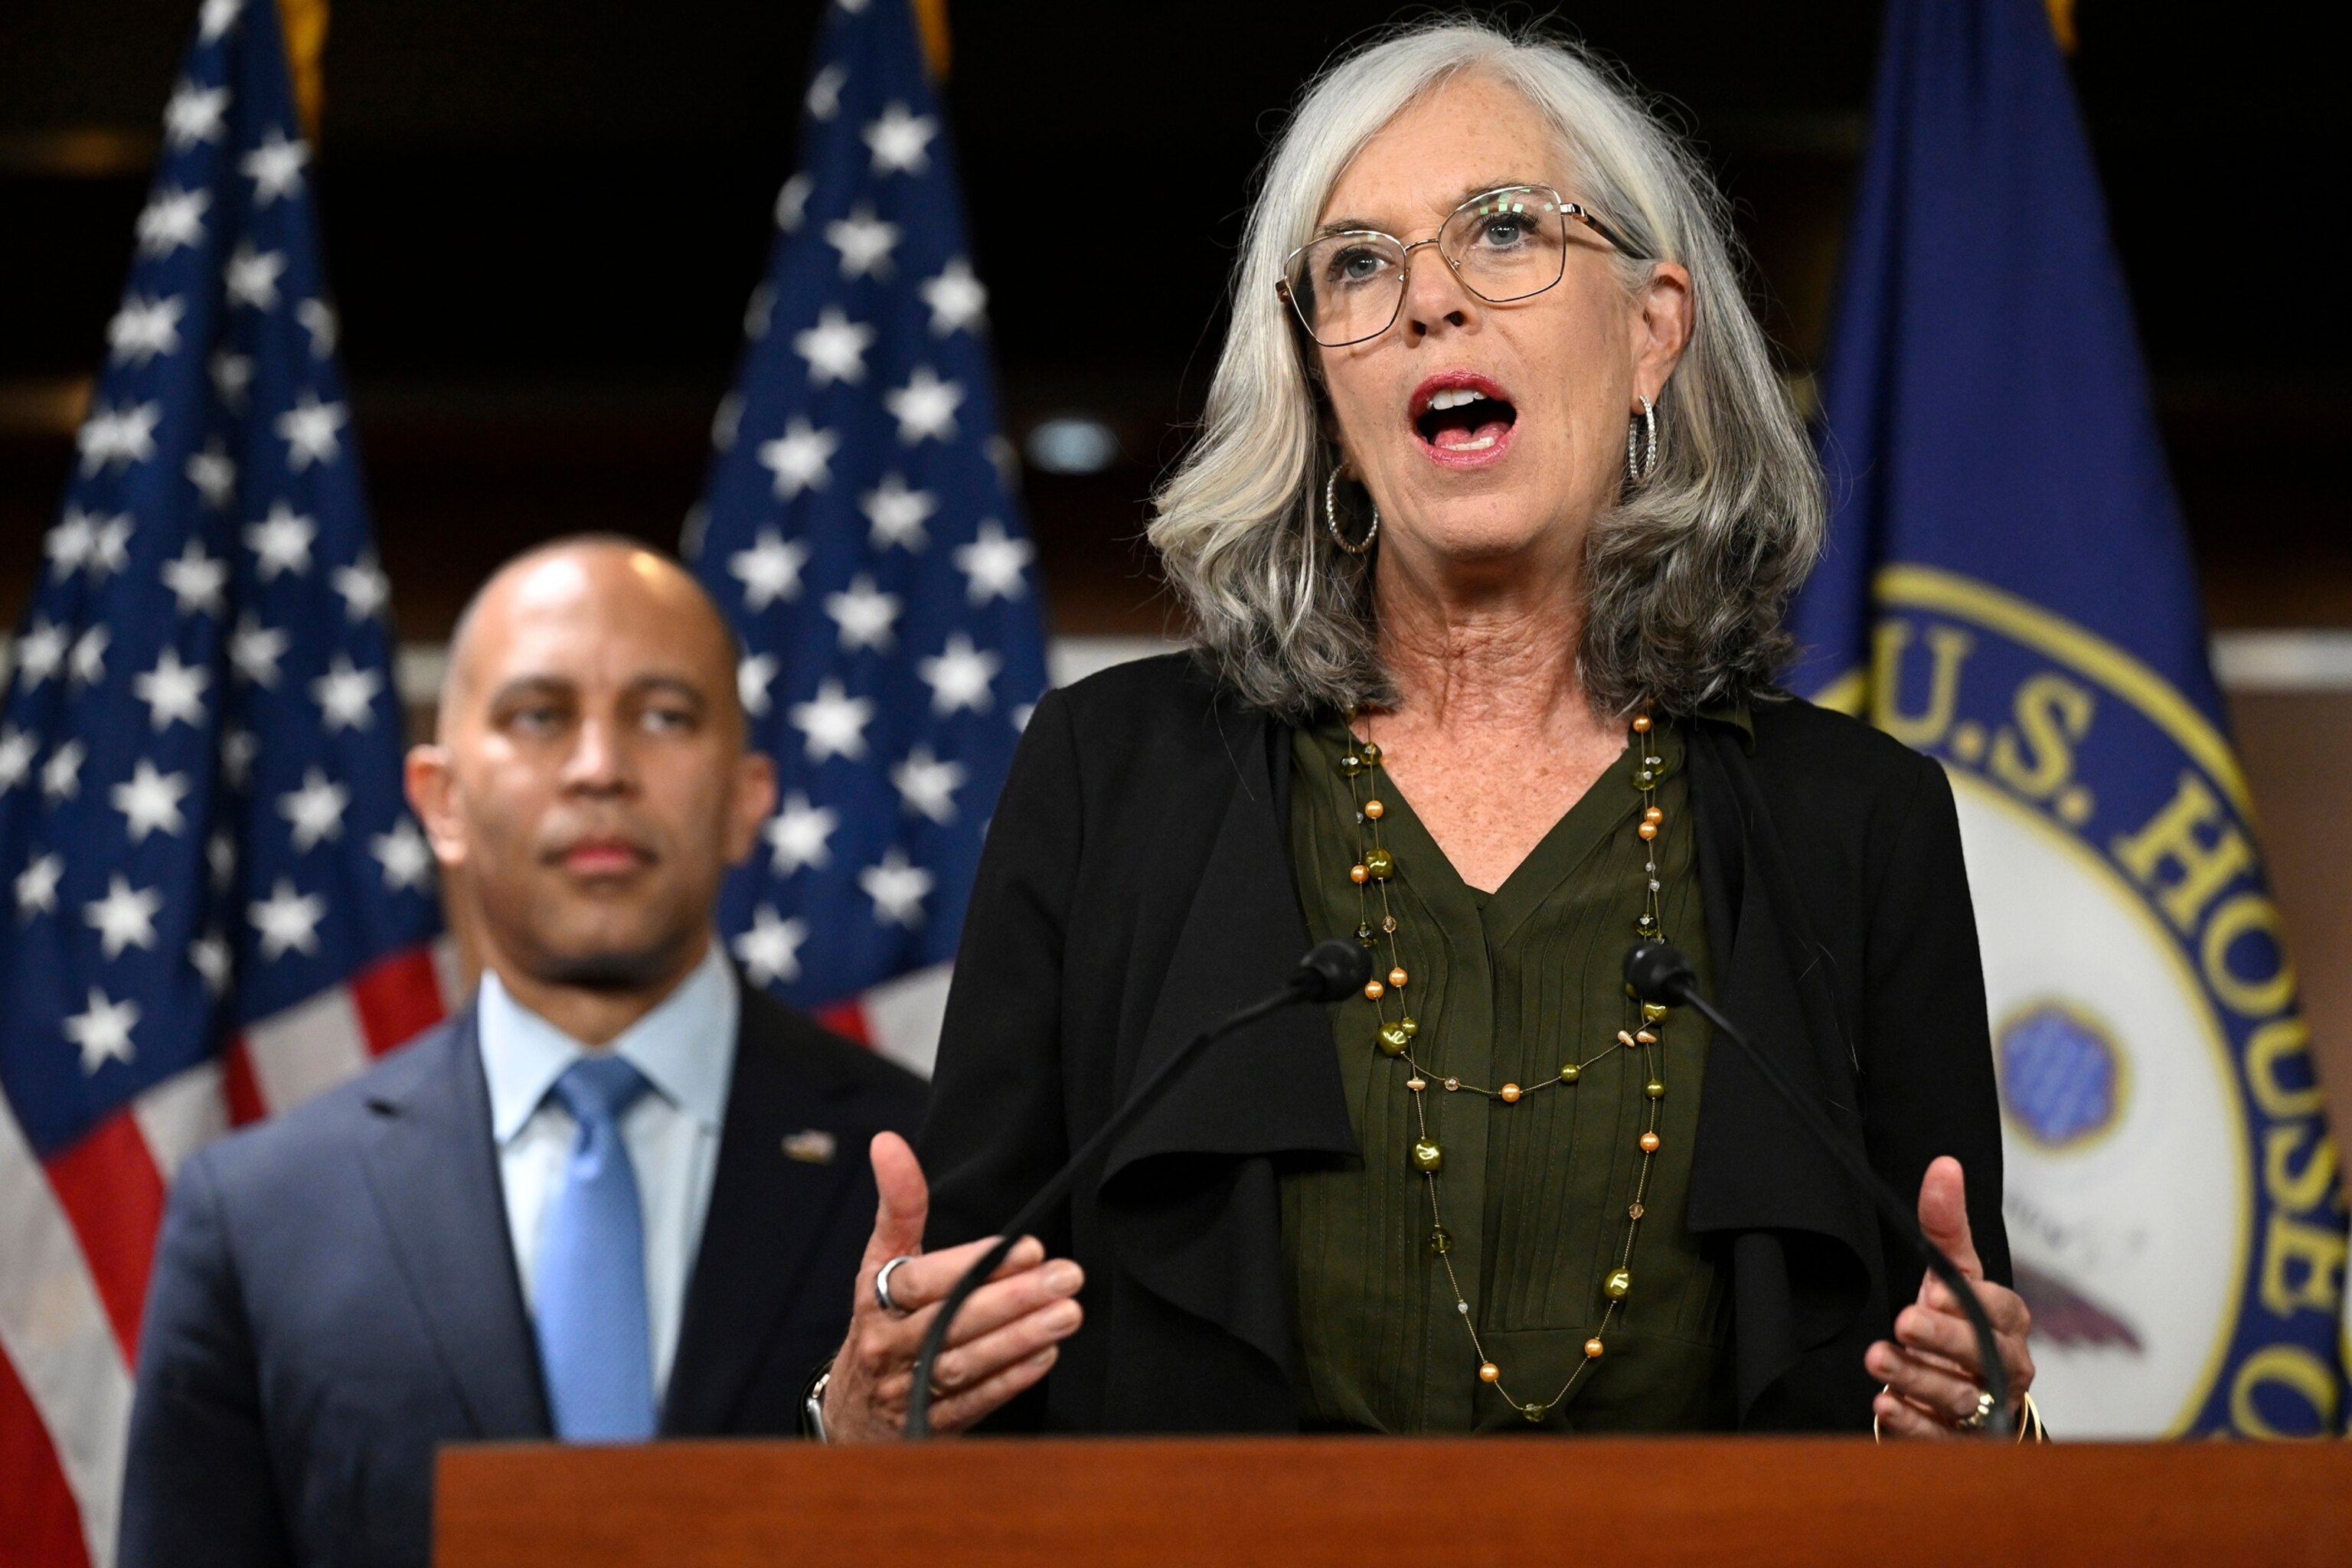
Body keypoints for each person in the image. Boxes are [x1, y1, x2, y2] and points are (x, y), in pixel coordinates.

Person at [826, 21, 2037, 1440]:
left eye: (1506, 229)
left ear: (1652, 331)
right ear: (1322, 389)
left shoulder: (1860, 823)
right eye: (1358, 263)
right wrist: (868, 1414)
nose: (1430, 303)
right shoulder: (1110, 779)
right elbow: (946, 1372)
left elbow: (1959, 1378)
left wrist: (1980, 1421)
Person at [120, 538, 926, 1567]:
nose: (600, 769)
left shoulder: (929, 1166)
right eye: (539, 716)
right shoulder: (258, 1216)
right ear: (441, 800)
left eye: (664, 716)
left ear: (747, 796)